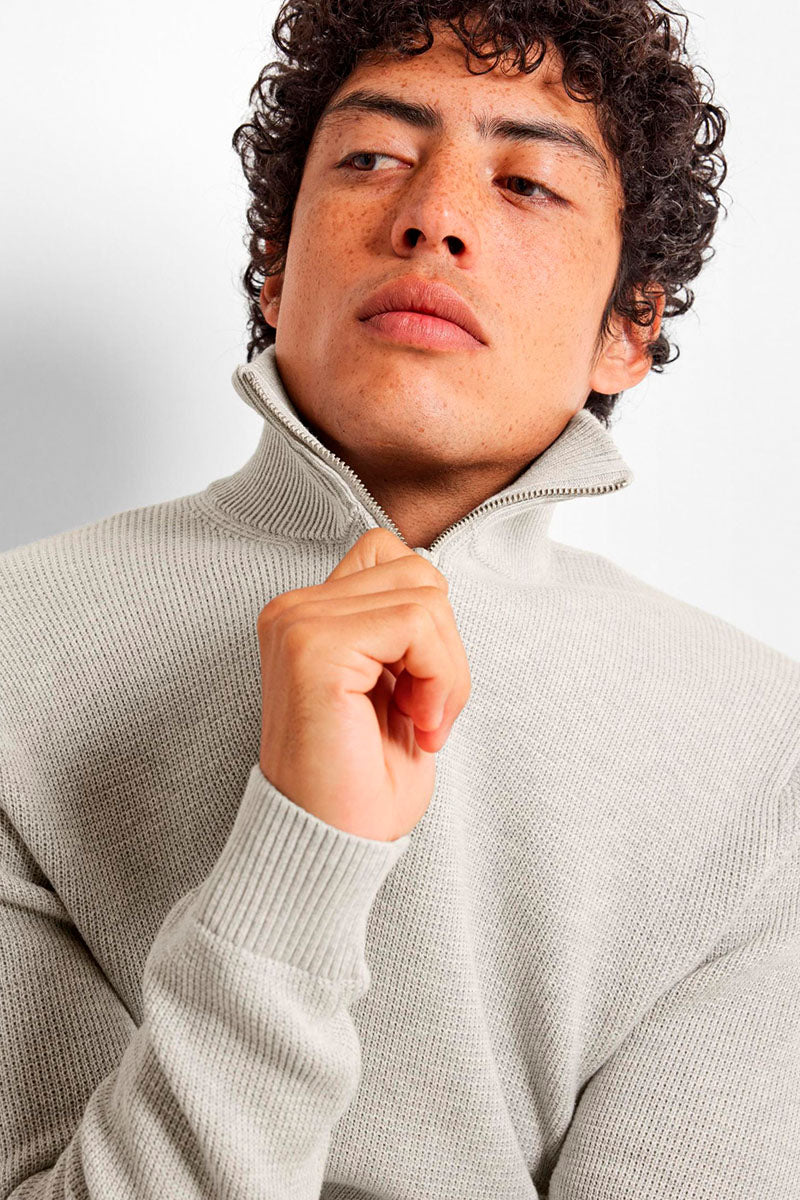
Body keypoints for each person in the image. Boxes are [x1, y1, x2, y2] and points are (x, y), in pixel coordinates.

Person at [1, 1, 798, 1197]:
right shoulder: (17, 648)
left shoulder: (763, 755)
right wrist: (301, 843)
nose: (432, 217)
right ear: (274, 269)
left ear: (628, 328)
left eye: (526, 184)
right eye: (373, 157)